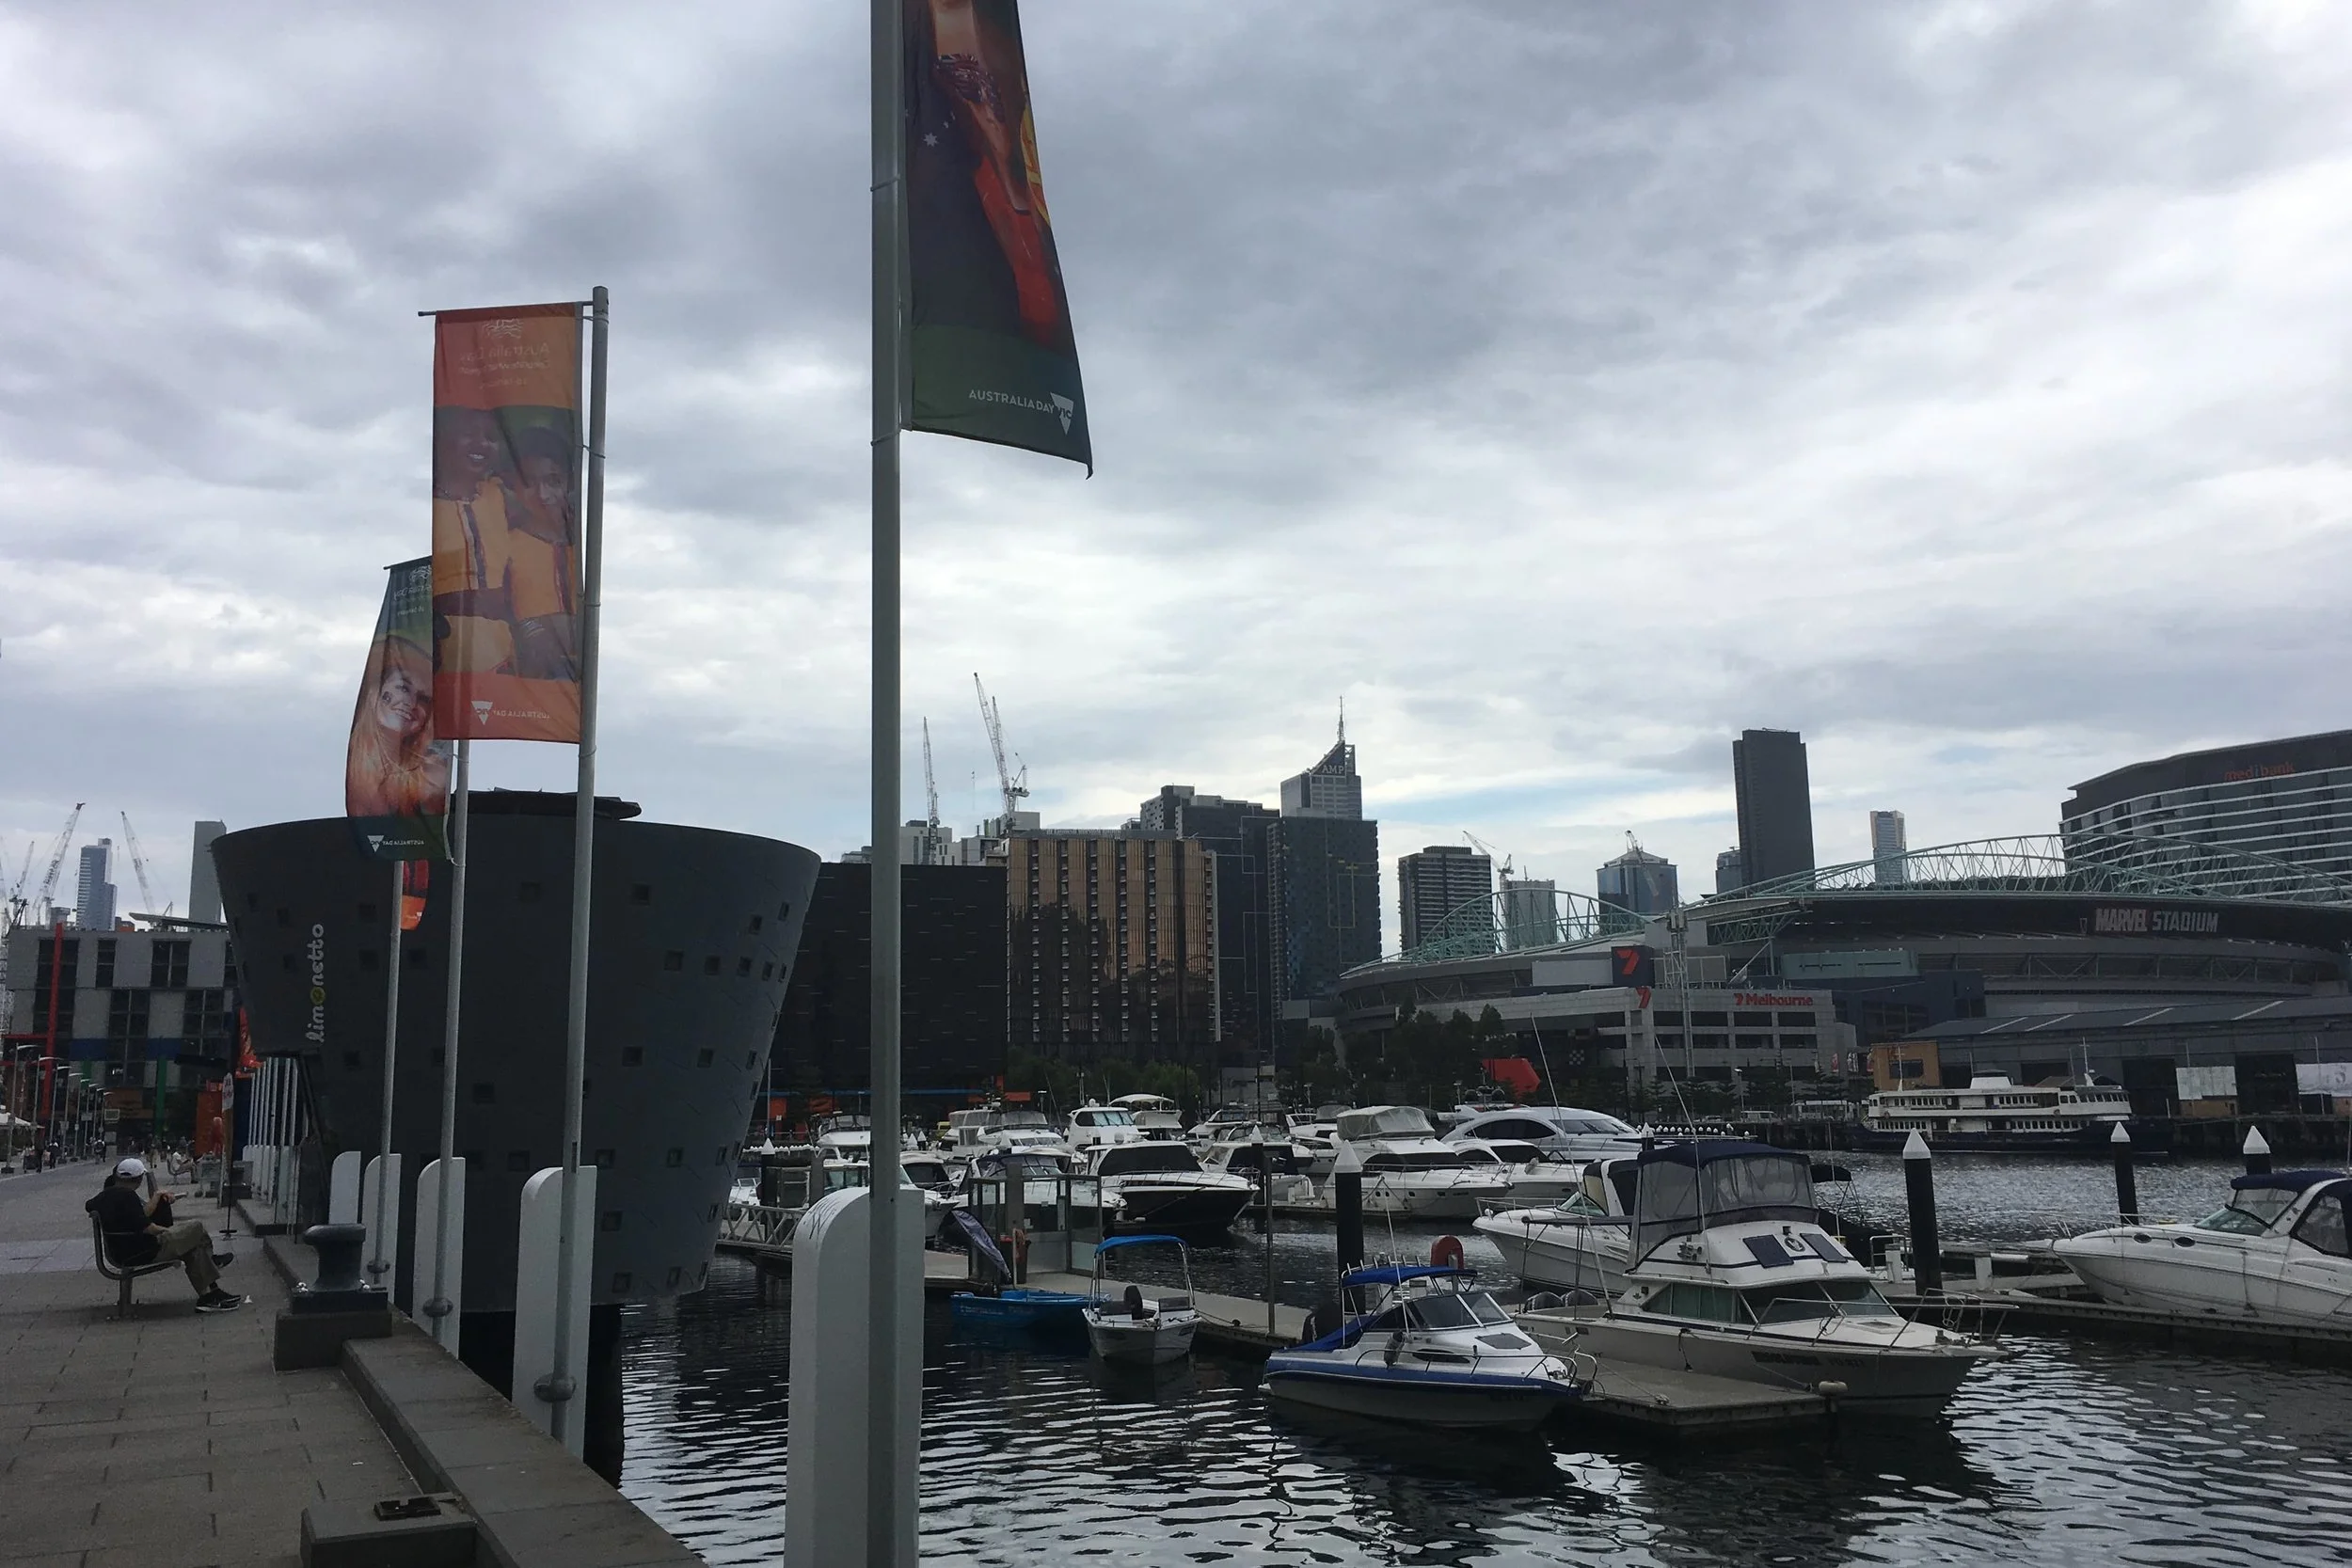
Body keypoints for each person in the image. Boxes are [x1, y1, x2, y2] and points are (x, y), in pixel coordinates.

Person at [87, 1157, 244, 1313]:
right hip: (143, 1250)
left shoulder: (103, 1197)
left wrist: (156, 1200)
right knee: (196, 1228)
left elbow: (93, 1207)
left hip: (122, 1249)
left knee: (194, 1249)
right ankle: (212, 1261)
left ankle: (210, 1296)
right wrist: (169, 1231)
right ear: (139, 1179)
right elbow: (150, 1228)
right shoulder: (128, 1196)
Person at [344, 632, 450, 818]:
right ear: (376, 691)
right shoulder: (357, 766)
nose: (411, 702)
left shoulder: (431, 776)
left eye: (424, 699)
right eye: (403, 687)